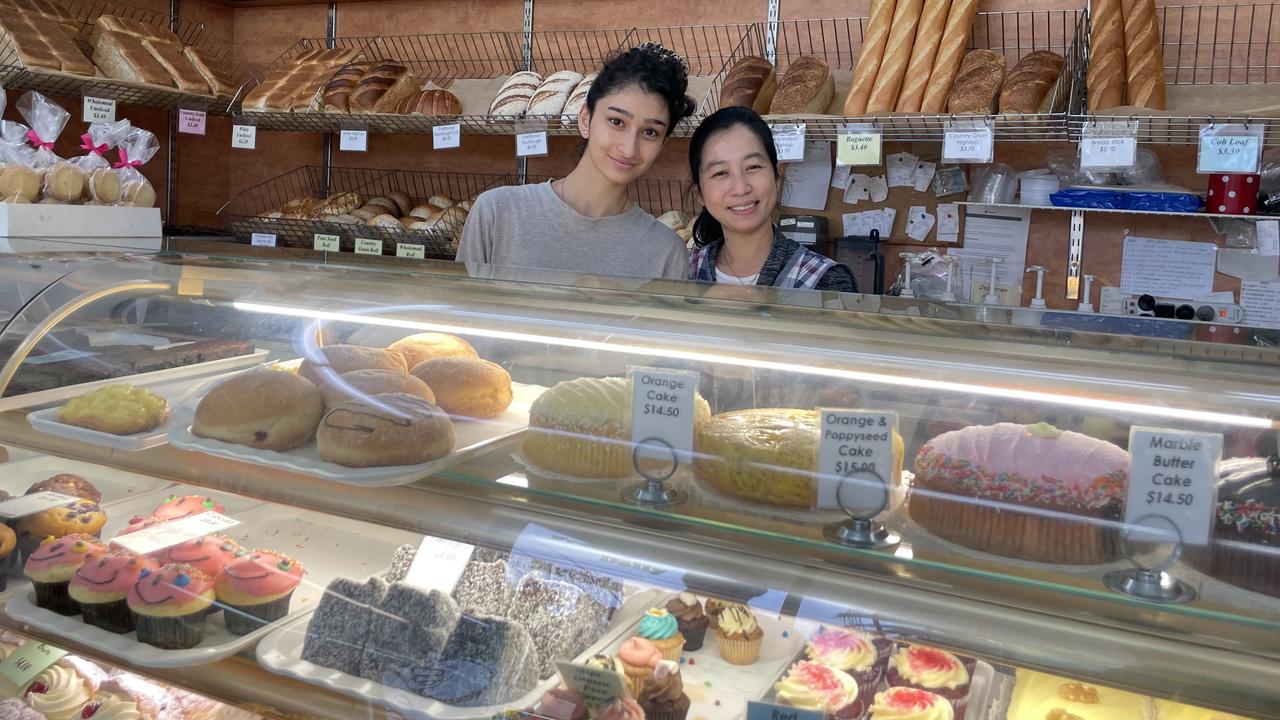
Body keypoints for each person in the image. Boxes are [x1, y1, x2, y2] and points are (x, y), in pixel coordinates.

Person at [459, 43, 695, 280]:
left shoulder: (666, 253)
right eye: (616, 122)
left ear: (662, 144)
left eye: (650, 132)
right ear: (585, 120)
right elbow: (459, 312)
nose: (629, 148)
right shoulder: (497, 213)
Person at [687, 106, 856, 292]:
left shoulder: (825, 281)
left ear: (777, 174)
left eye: (753, 167)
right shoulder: (682, 273)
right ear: (700, 193)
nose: (741, 188)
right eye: (720, 173)